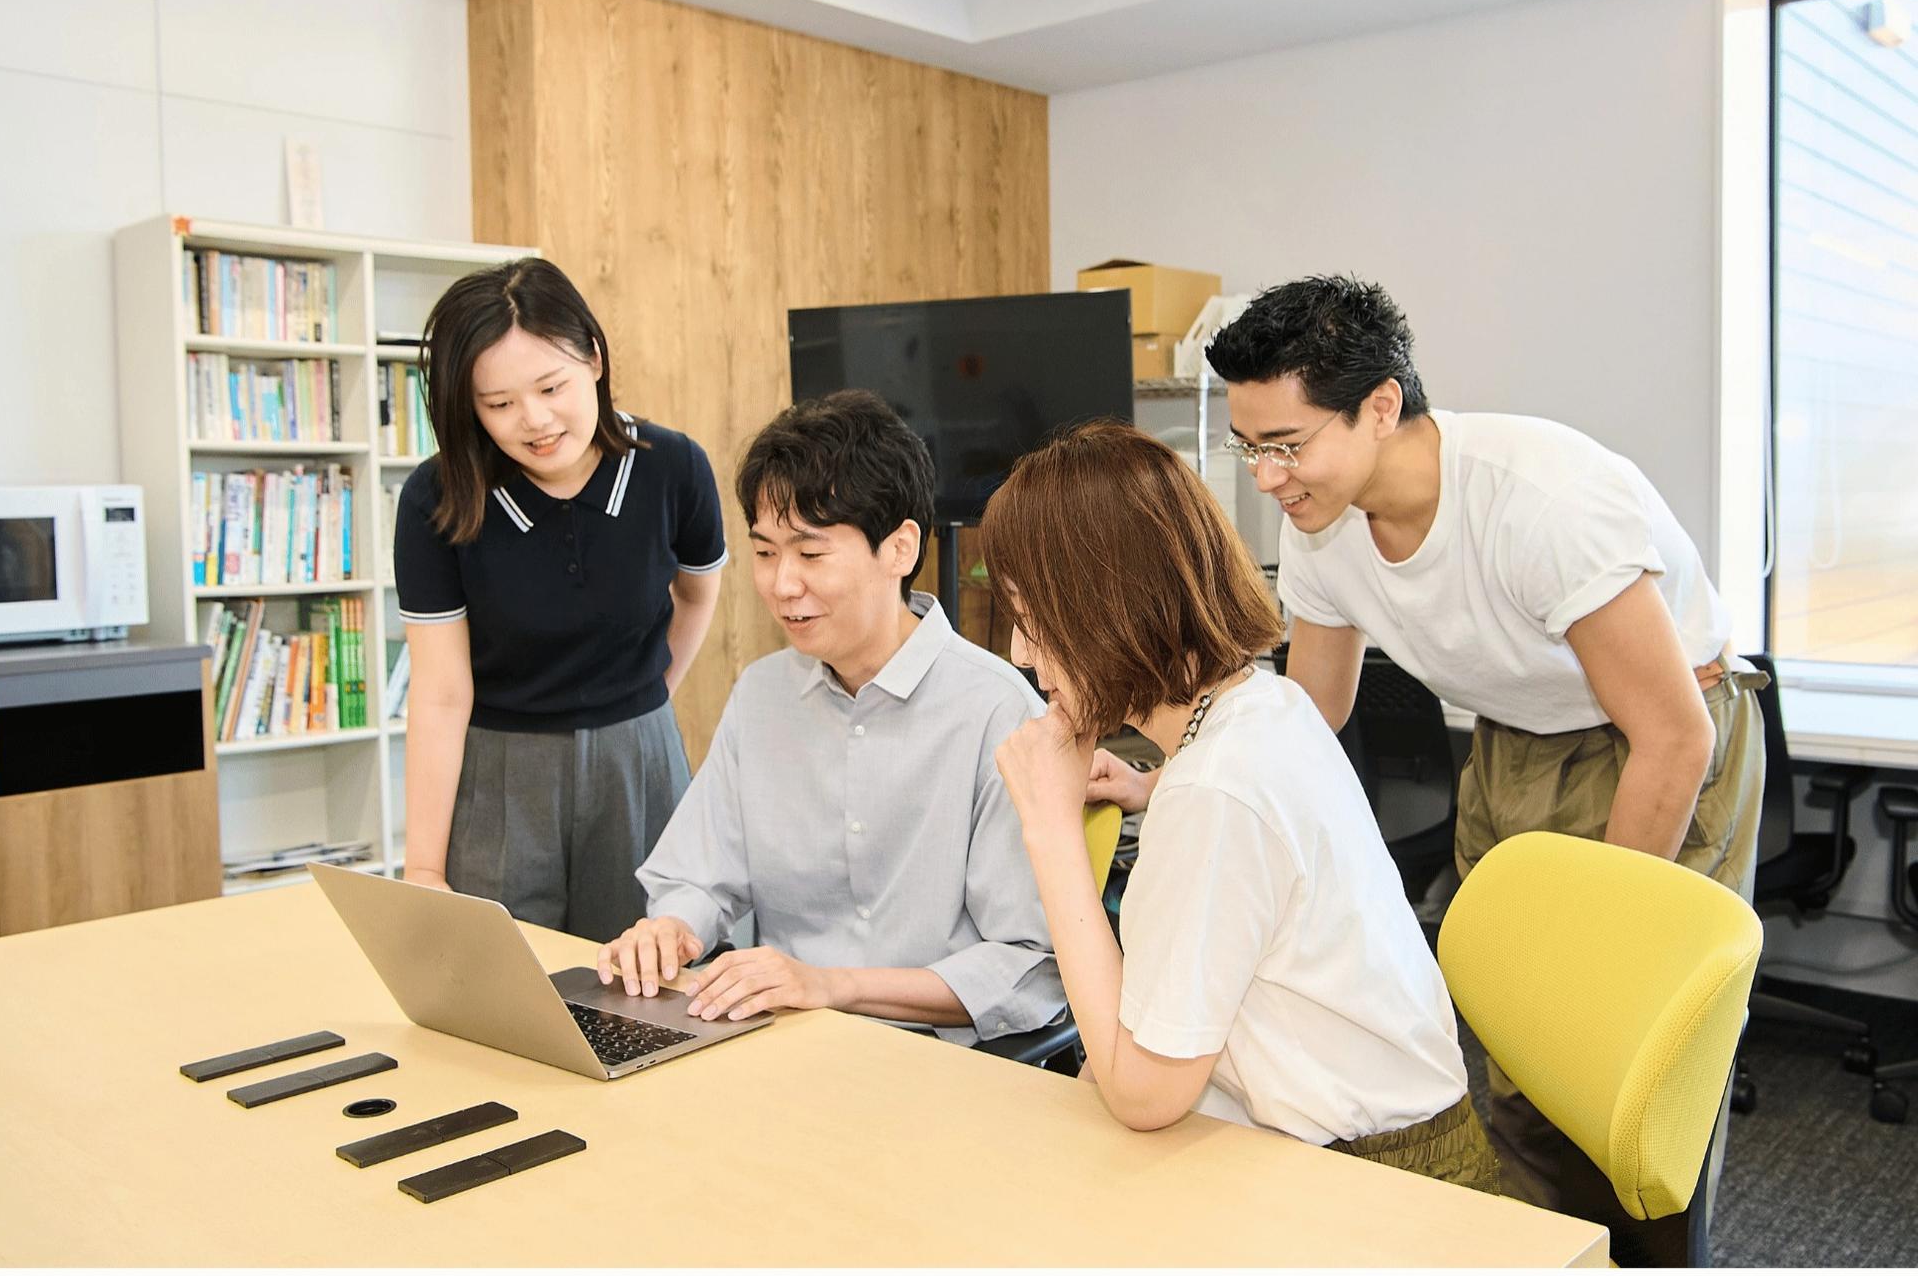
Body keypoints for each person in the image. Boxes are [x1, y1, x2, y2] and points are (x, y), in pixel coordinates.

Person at [1159, 273, 1764, 1230]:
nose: (1266, 477)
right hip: (1514, 738)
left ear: (1380, 406)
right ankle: (1541, 1247)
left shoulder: (1542, 502)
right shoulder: (1322, 521)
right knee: (1523, 1054)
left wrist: (1608, 952)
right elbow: (1306, 720)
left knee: (1627, 1057)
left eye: (1287, 445)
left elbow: (1673, 735)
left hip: (1661, 735)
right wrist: (1177, 778)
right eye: (1251, 447)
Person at [984, 419, 1496, 1191]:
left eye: (1029, 619)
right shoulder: (1264, 705)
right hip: (1379, 1141)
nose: (1020, 653)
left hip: (1377, 1189)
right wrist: (1154, 787)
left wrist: (1051, 831)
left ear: (1105, 606)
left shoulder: (1215, 790)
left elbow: (1143, 1094)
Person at [595, 390, 1063, 1045]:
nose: (782, 585)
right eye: (765, 554)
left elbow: (1026, 967)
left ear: (900, 549)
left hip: (935, 1060)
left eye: (810, 555)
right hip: (779, 1039)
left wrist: (833, 986)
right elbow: (698, 875)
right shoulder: (762, 696)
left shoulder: (997, 711)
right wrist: (673, 929)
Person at [394, 258, 727, 943]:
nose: (535, 420)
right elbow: (441, 692)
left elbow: (697, 596)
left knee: (650, 977)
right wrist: (422, 867)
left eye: (552, 387)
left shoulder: (673, 467)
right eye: (499, 404)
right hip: (500, 774)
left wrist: (643, 699)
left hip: (639, 764)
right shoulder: (438, 497)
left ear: (594, 359)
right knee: (498, 981)